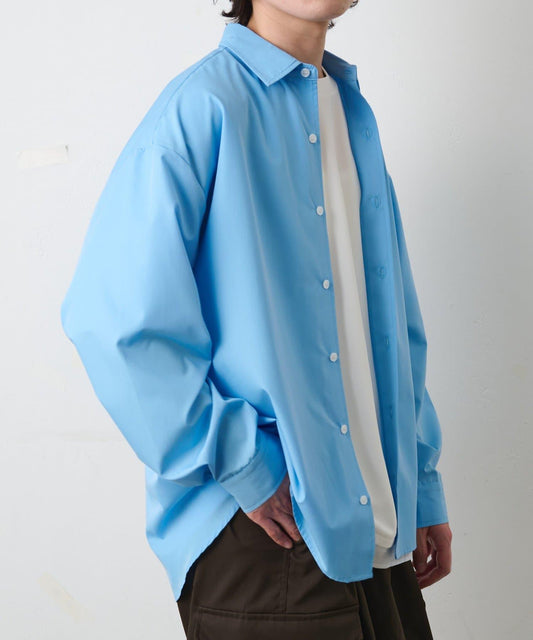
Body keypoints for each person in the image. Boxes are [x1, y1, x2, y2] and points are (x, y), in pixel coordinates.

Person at [60, 0, 453, 637]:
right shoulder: (202, 107)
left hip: (374, 525)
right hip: (265, 528)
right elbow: (112, 320)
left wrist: (420, 480)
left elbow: (389, 325)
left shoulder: (351, 112)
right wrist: (245, 461)